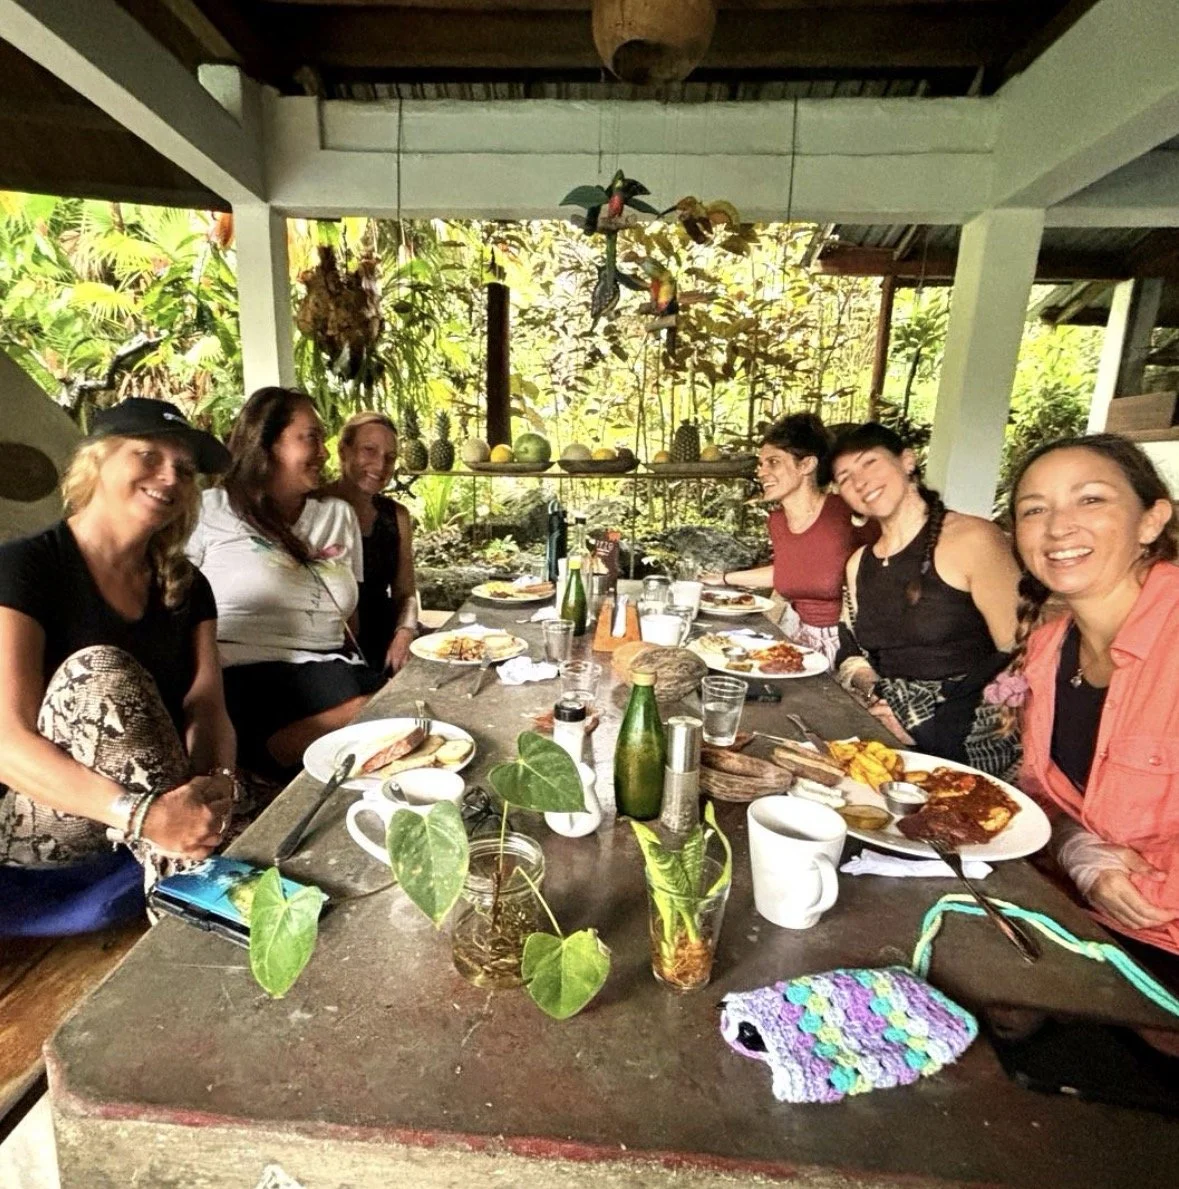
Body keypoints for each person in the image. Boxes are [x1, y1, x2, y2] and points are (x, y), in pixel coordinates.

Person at [0, 399, 237, 934]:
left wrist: (216, 784)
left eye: (184, 468)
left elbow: (207, 705)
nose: (169, 476)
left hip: (161, 795)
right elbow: (5, 743)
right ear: (97, 461)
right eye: (148, 454)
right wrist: (145, 816)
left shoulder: (187, 585)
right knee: (102, 672)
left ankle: (201, 879)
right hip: (39, 813)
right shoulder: (26, 567)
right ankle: (191, 915)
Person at [1001, 433, 1178, 957]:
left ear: (1151, 520)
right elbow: (1044, 799)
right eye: (1035, 510)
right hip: (1080, 924)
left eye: (1091, 499)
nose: (1058, 527)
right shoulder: (1047, 650)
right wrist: (1077, 848)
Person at [187, 387, 384, 777]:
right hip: (245, 676)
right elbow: (176, 611)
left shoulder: (337, 516)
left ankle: (357, 722)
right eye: (310, 437)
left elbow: (351, 620)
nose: (324, 452)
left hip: (333, 669)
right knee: (381, 715)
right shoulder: (209, 510)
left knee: (403, 711)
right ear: (265, 442)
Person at [831, 422, 1021, 777]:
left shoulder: (973, 539)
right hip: (886, 738)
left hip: (968, 743)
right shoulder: (859, 564)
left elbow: (1021, 659)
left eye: (869, 462)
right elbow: (850, 649)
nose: (859, 482)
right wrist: (881, 697)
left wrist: (926, 724)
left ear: (907, 461)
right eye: (844, 477)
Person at [702, 413, 877, 662]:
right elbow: (793, 570)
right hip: (799, 643)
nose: (761, 472)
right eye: (760, 464)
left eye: (773, 462)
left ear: (806, 465)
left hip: (851, 651)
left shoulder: (846, 515)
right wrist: (722, 579)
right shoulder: (777, 521)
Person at [321, 412, 418, 673]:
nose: (380, 465)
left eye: (390, 457)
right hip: (329, 643)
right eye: (369, 450)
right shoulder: (313, 507)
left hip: (384, 636)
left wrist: (405, 633)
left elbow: (406, 593)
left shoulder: (396, 516)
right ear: (344, 452)